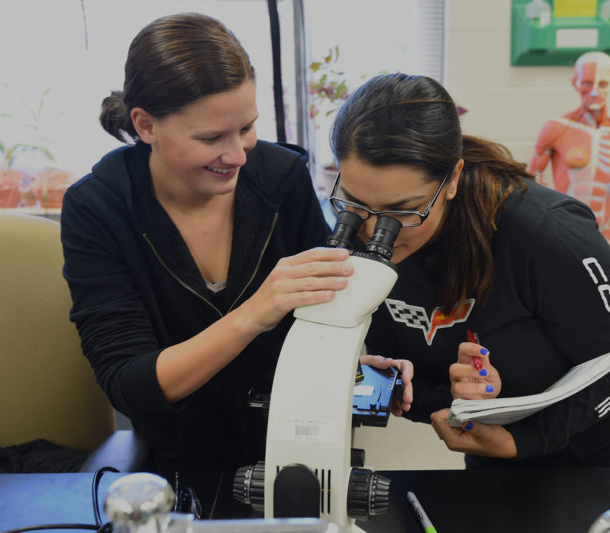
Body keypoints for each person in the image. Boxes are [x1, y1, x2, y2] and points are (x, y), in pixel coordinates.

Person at [60, 12, 381, 473]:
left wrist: (361, 361)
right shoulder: (99, 208)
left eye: (247, 127)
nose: (238, 155)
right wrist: (255, 312)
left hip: (293, 448)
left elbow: (324, 315)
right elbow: (130, 384)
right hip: (177, 463)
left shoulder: (281, 179)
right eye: (211, 138)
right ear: (145, 125)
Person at [329, 73, 610, 467]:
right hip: (496, 453)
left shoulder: (546, 233)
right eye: (355, 202)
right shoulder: (356, 229)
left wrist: (521, 441)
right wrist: (404, 386)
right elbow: (411, 374)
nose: (376, 232)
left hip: (605, 455)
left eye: (404, 211)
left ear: (453, 178)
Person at [529, 51, 610, 267]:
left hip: (605, 233)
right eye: (587, 84)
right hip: (563, 230)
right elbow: (532, 184)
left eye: (602, 84)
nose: (594, 92)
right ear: (575, 83)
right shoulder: (557, 128)